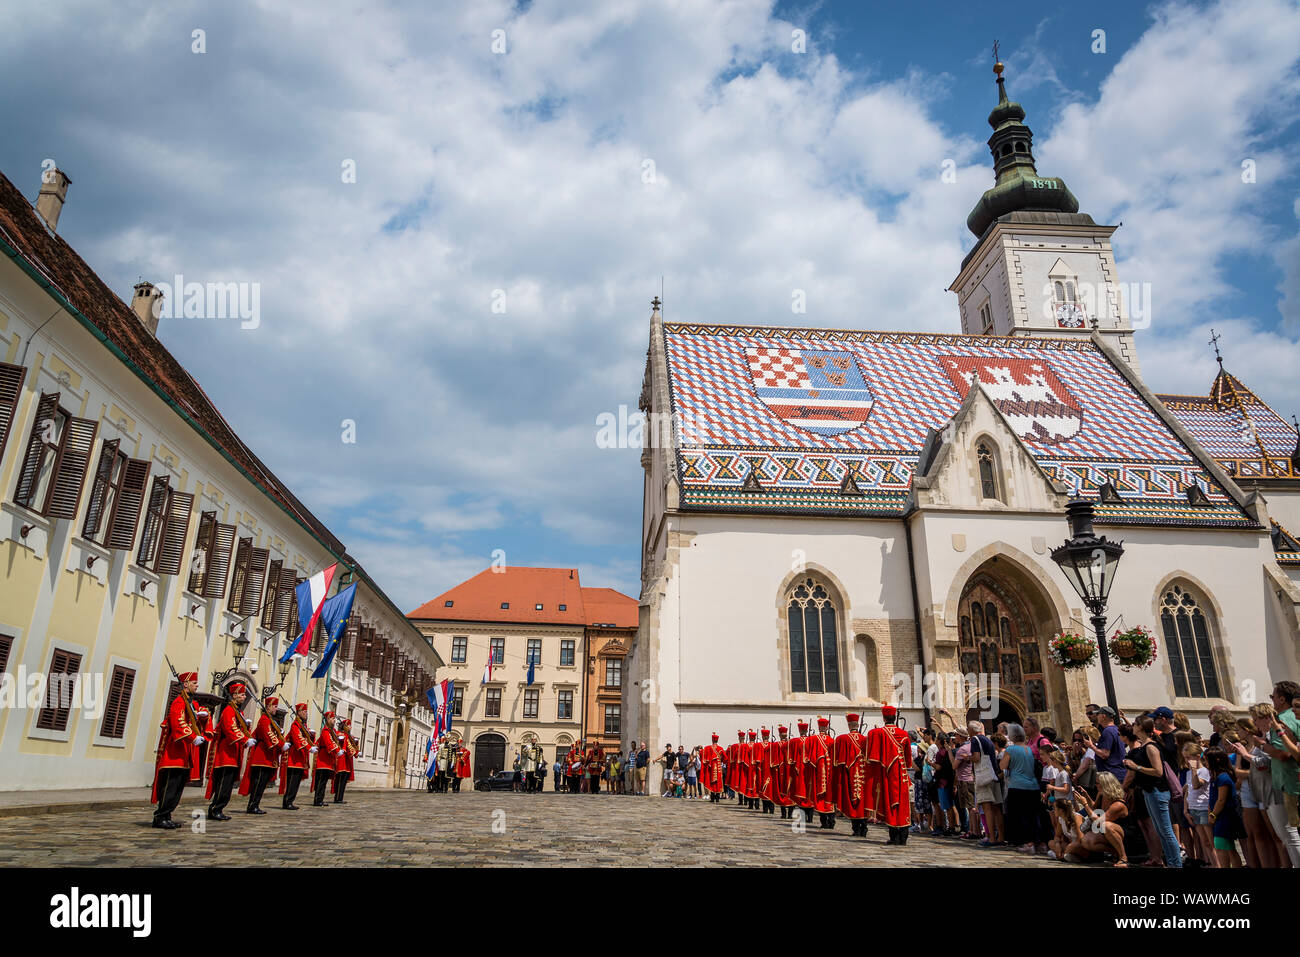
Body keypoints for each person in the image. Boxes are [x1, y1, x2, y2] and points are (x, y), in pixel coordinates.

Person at [150, 671, 208, 830]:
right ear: (186, 684)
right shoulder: (178, 702)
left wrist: (200, 716)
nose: (197, 685)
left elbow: (190, 720)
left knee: (177, 789)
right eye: (194, 683)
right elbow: (178, 723)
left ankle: (167, 815)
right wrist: (192, 738)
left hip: (183, 754)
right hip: (174, 754)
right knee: (170, 787)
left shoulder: (189, 703)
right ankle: (160, 816)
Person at [1123, 716, 1182, 867]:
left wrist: (1136, 767)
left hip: (1157, 791)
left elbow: (1158, 771)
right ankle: (1171, 862)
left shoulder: (1151, 746)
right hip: (1149, 791)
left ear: (1141, 727)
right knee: (1161, 830)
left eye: (1135, 724)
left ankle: (1176, 864)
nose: (1132, 727)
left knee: (1166, 831)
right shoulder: (1144, 745)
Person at [206, 683, 256, 820]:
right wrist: (245, 740)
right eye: (242, 694)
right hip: (225, 755)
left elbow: (239, 729)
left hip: (233, 754)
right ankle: (215, 809)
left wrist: (247, 731)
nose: (244, 697)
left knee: (227, 786)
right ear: (234, 695)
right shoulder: (229, 710)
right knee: (223, 784)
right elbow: (230, 729)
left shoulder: (238, 712)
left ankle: (219, 808)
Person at [864, 705, 912, 845]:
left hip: (888, 775)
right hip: (901, 773)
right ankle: (903, 837)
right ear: (895, 717)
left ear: (884, 718)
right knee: (902, 805)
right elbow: (908, 760)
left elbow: (872, 756)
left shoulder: (878, 733)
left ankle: (894, 837)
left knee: (891, 803)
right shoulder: (904, 734)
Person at [1000, 723, 1049, 854]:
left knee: (1021, 815)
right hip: (1033, 786)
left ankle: (1028, 843)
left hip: (1017, 785)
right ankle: (1040, 842)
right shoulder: (1029, 749)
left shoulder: (1011, 749)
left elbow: (1002, 766)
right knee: (1034, 815)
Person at [1064, 772, 1129, 866]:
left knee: (1106, 825)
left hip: (1122, 834)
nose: (1095, 785)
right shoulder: (1102, 795)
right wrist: (1086, 796)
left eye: (1097, 783)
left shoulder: (1118, 804)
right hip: (1105, 832)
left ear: (1105, 785)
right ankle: (1113, 852)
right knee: (1085, 841)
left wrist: (1085, 804)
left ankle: (1123, 857)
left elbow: (1099, 822)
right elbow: (1095, 808)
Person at [237, 696, 282, 815]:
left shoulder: (270, 720)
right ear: (268, 707)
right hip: (262, 757)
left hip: (267, 757)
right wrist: (280, 745)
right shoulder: (264, 720)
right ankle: (252, 805)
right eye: (275, 706)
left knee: (262, 783)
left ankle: (255, 804)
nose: (276, 709)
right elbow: (268, 735)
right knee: (259, 783)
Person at [1205, 746, 1245, 868]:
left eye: (1207, 760)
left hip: (1225, 817)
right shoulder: (1216, 777)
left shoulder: (1223, 778)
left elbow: (1221, 799)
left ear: (1216, 760)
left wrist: (1213, 814)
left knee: (1223, 847)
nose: (1205, 763)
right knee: (1225, 846)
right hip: (1220, 817)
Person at [833, 712, 869, 837]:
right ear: (858, 725)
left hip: (851, 774)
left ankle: (856, 828)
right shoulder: (865, 739)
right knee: (863, 800)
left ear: (849, 725)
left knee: (852, 800)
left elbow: (839, 761)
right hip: (864, 774)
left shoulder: (843, 739)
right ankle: (864, 827)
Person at [1183, 742, 1215, 866]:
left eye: (1188, 757)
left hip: (1203, 808)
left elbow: (1196, 785)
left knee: (1211, 841)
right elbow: (1188, 792)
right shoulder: (1188, 773)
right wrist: (1186, 810)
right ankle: (1210, 862)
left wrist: (1194, 770)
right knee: (1204, 841)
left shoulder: (1203, 771)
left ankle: (1217, 864)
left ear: (1197, 756)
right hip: (1193, 808)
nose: (1186, 760)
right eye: (1184, 757)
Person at [279, 702, 312, 810]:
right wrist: (309, 748)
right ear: (299, 712)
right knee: (292, 783)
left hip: (300, 759)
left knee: (296, 783)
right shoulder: (295, 726)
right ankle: (287, 802)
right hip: (293, 759)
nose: (306, 714)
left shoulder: (302, 726)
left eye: (306, 711)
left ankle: (290, 801)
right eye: (304, 711)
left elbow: (306, 738)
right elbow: (299, 740)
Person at [806, 718, 836, 828]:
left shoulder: (814, 739)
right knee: (830, 796)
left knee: (820, 797)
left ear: (819, 728)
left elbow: (809, 756)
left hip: (819, 772)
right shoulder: (832, 740)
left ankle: (824, 822)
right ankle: (831, 822)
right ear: (827, 727)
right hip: (830, 772)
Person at [1093, 707, 1126, 781]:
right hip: (1118, 773)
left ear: (1103, 716)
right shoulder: (1116, 729)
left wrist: (1091, 746)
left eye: (1098, 714)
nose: (1097, 716)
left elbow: (1105, 754)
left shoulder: (1108, 731)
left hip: (1111, 775)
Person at [332, 718, 357, 804]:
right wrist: (354, 752)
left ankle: (340, 797)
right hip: (342, 761)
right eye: (348, 725)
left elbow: (352, 746)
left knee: (343, 781)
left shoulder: (348, 736)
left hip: (347, 761)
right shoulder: (341, 735)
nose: (350, 727)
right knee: (340, 780)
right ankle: (338, 798)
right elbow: (348, 747)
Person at [701, 734, 725, 802]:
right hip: (718, 768)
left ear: (712, 740)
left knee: (712, 782)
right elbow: (725, 758)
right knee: (718, 782)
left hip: (712, 768)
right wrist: (721, 759)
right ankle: (717, 798)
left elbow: (702, 753)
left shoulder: (708, 748)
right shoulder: (720, 748)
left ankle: (712, 798)